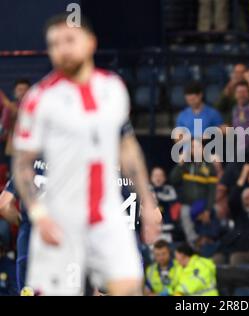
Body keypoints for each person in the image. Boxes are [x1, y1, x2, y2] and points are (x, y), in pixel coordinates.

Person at [12, 14, 162, 295]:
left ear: (91, 43)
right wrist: (38, 212)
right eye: (54, 44)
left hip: (107, 216)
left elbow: (128, 149)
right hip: (62, 219)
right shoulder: (39, 99)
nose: (62, 49)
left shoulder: (113, 88)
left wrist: (148, 201)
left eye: (69, 40)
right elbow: (21, 164)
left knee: (130, 288)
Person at [0, 159, 46, 295]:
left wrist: (24, 224)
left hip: (28, 241)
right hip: (59, 241)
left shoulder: (27, 162)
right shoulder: (69, 160)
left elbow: (3, 205)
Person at [169, 138, 218, 247]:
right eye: (192, 147)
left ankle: (208, 244)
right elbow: (173, 180)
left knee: (214, 213)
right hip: (188, 204)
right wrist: (180, 164)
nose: (195, 150)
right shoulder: (185, 166)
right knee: (184, 212)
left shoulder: (210, 167)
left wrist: (208, 210)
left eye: (198, 147)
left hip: (204, 204)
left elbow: (212, 191)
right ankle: (194, 242)